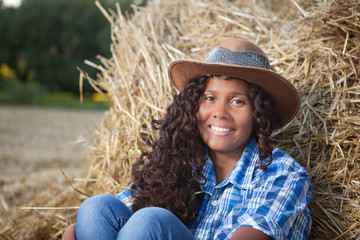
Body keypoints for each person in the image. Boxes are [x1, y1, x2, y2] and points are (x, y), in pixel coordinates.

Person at [62, 37, 312, 240]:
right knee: (96, 209)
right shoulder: (181, 161)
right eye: (209, 98)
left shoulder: (283, 174)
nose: (220, 112)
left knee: (149, 222)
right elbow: (92, 223)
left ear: (259, 114)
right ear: (193, 105)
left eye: (237, 101)